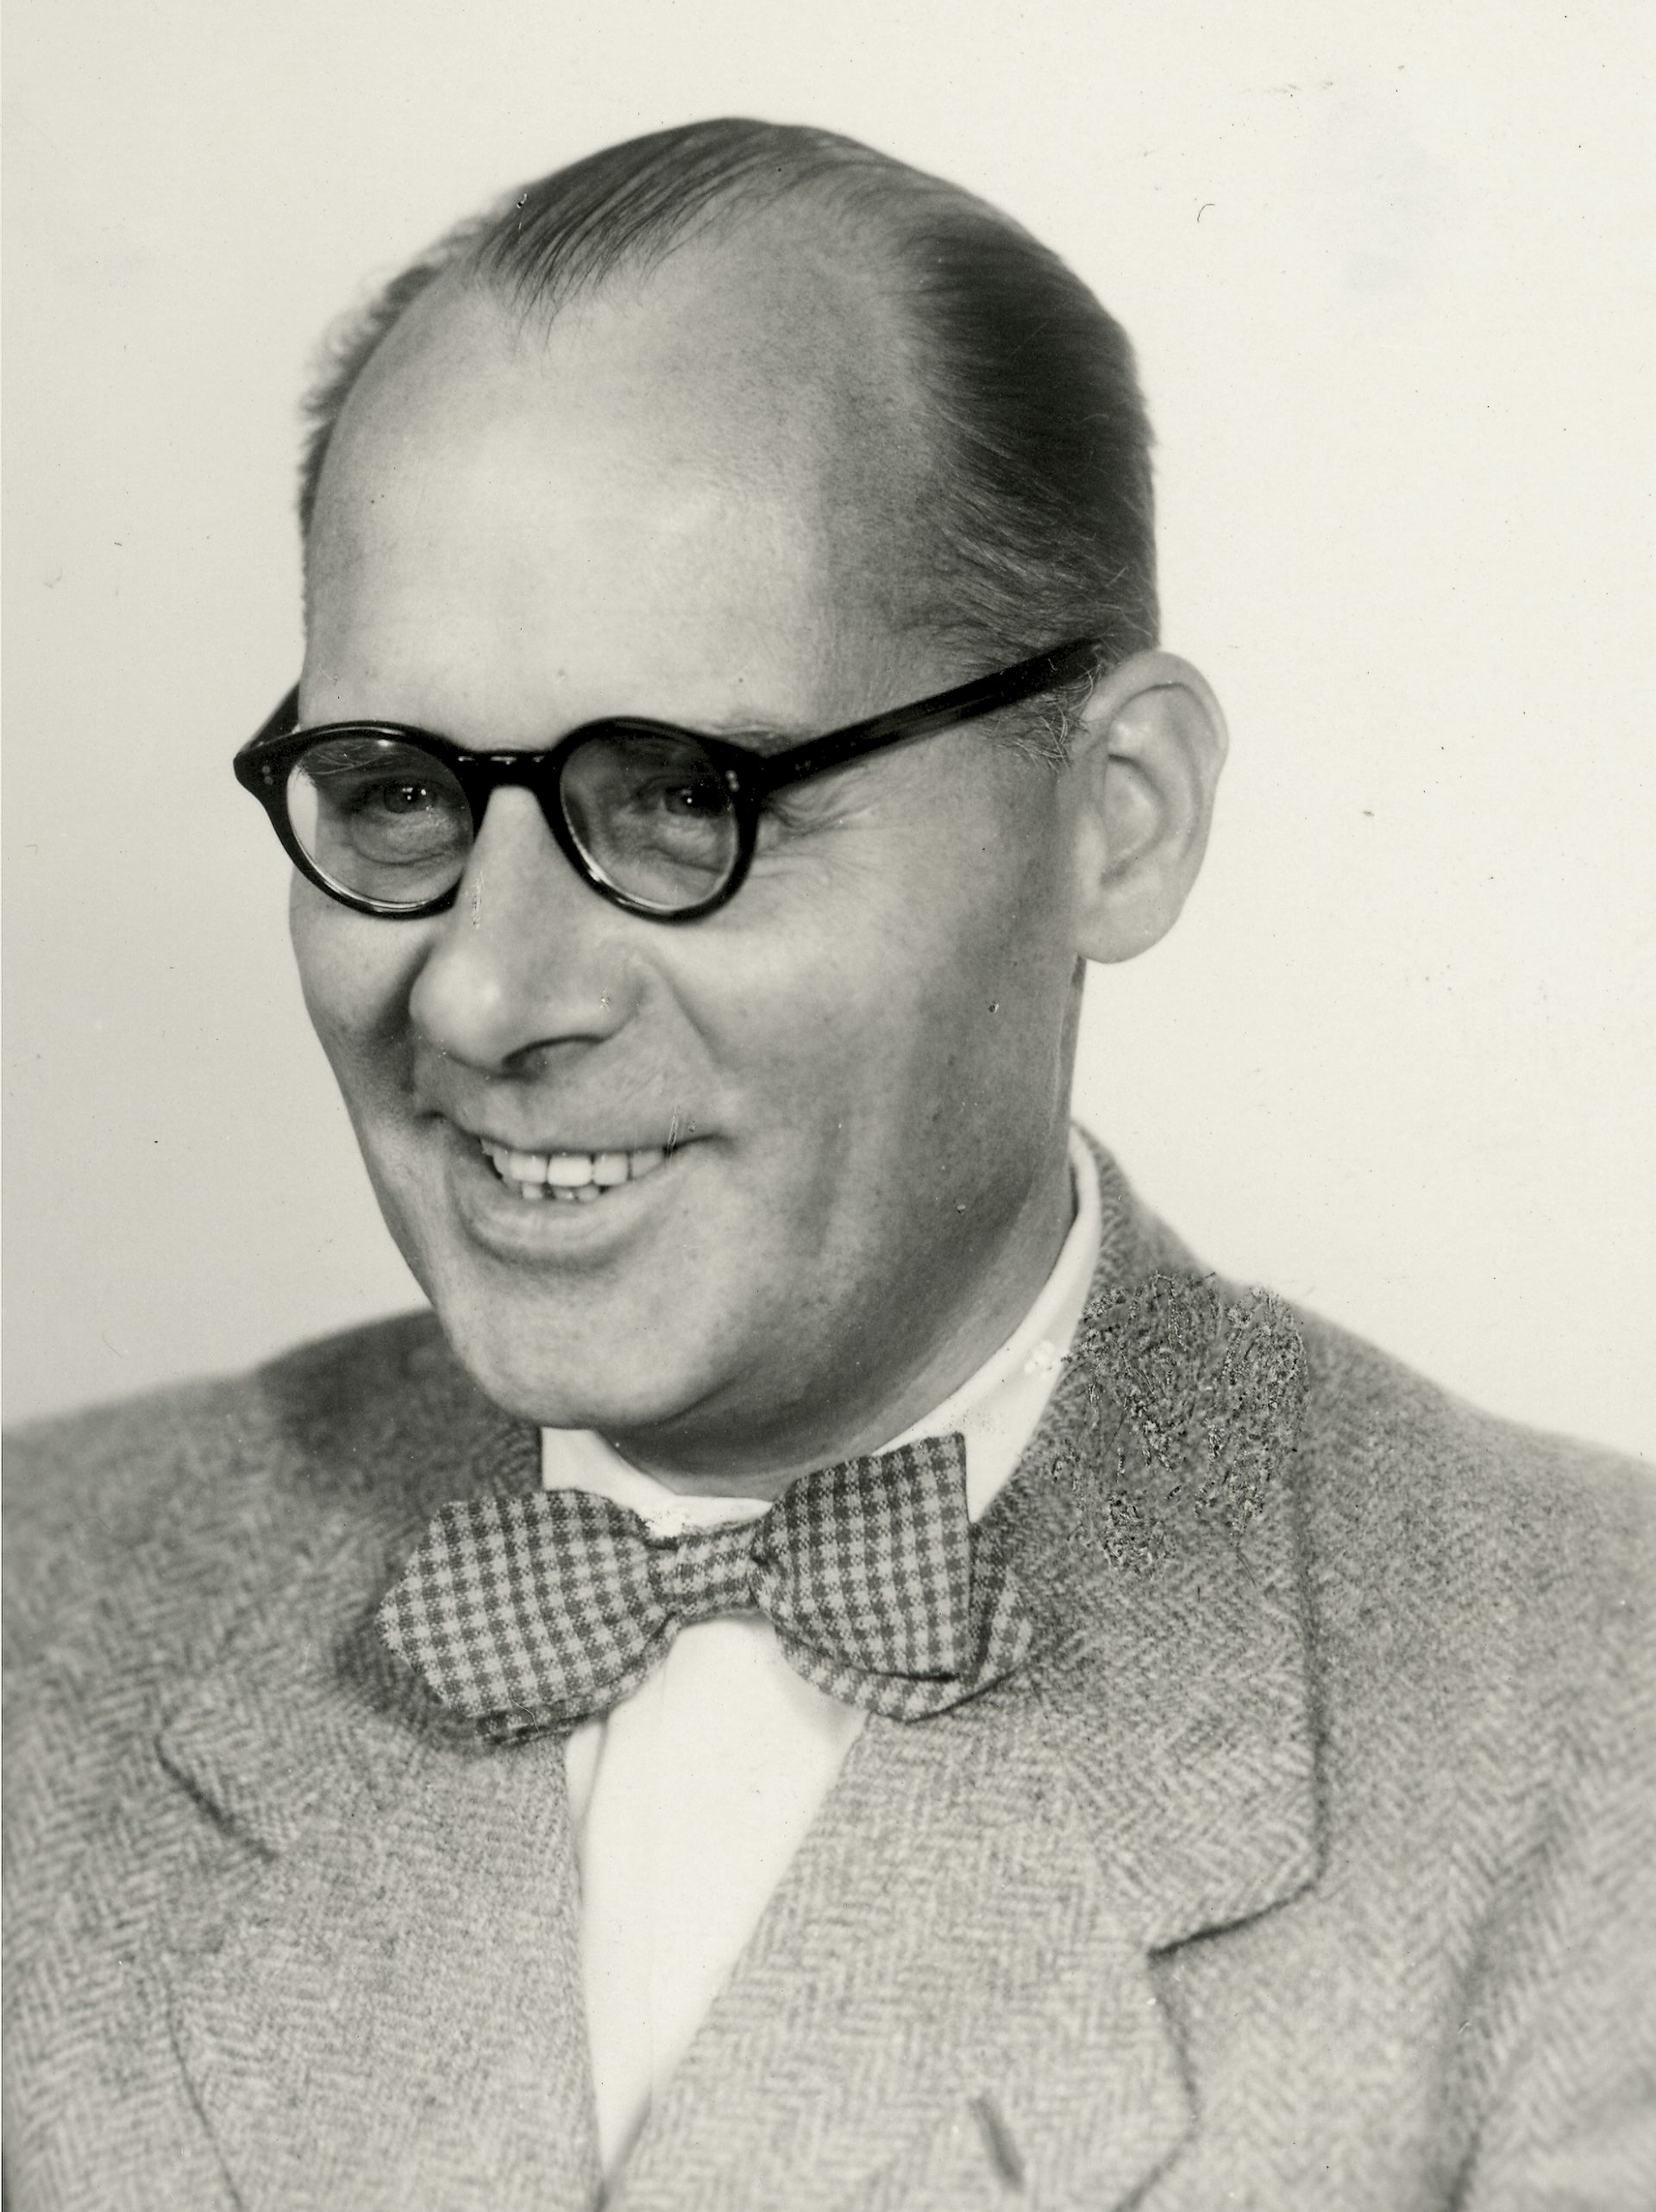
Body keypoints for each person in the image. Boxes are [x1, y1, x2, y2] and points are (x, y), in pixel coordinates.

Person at [4, 117, 1652, 2212]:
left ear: (1116, 816)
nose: (490, 995)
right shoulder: (29, 1609)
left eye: (687, 795)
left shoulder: (1608, 1730)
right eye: (399, 787)